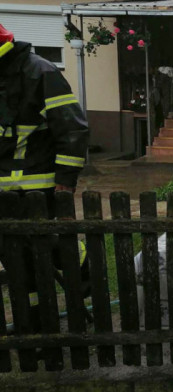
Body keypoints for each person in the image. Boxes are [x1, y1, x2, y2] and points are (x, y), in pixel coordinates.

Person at [0, 23, 89, 333]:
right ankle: (35, 323)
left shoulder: (40, 72)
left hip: (39, 189)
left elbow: (72, 129)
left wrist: (65, 182)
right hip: (3, 197)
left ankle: (88, 283)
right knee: (19, 264)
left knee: (56, 249)